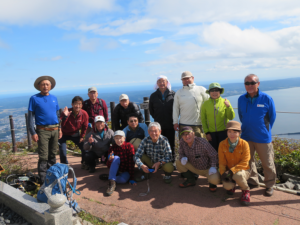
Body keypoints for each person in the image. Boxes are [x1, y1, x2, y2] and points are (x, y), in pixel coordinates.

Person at [238, 74, 276, 197]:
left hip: (262, 137)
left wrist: (264, 130)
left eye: (252, 83)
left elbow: (272, 117)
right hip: (246, 136)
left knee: (267, 163)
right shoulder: (241, 99)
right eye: (247, 83)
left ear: (258, 84)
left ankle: (270, 185)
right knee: (248, 161)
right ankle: (253, 181)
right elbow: (241, 116)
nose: (249, 85)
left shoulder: (266, 98)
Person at [28, 76, 61, 183]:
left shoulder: (54, 98)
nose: (45, 86)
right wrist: (33, 132)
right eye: (43, 84)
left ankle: (51, 178)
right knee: (43, 156)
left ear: (51, 86)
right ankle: (43, 181)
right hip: (42, 130)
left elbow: (57, 115)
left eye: (47, 84)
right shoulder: (34, 98)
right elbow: (30, 117)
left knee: (52, 155)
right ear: (39, 86)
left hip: (55, 129)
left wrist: (59, 129)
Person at [176, 126, 220, 192]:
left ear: (193, 134)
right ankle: (191, 180)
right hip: (193, 167)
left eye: (188, 133)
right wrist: (182, 157)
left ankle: (212, 184)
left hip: (207, 169)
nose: (186, 136)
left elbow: (214, 155)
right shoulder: (182, 141)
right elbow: (181, 153)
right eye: (184, 134)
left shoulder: (202, 142)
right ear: (182, 136)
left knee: (215, 180)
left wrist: (213, 166)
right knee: (178, 162)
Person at [219, 121, 251, 206]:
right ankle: (232, 184)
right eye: (229, 131)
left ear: (239, 133)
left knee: (238, 175)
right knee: (227, 186)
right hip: (229, 172)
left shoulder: (244, 144)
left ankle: (246, 191)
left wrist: (231, 171)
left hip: (243, 170)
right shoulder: (222, 144)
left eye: (235, 132)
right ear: (227, 132)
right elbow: (222, 162)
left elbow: (245, 162)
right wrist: (223, 173)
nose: (232, 134)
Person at [173, 71, 209, 138]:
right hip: (183, 124)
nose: (186, 80)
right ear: (182, 81)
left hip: (197, 124)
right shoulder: (178, 93)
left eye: (188, 78)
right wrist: (175, 122)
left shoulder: (201, 89)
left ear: (193, 78)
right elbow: (175, 109)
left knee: (198, 146)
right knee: (184, 146)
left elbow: (209, 103)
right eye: (184, 79)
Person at [201, 83, 235, 151]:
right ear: (209, 92)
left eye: (216, 90)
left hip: (224, 133)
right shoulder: (205, 104)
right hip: (211, 134)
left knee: (224, 152)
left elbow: (231, 117)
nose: (214, 92)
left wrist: (228, 107)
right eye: (212, 90)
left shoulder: (225, 102)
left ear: (220, 92)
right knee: (213, 153)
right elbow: (203, 119)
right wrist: (207, 133)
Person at [149, 75, 176, 158]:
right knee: (159, 143)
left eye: (163, 81)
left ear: (167, 82)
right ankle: (160, 160)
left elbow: (177, 109)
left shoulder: (173, 94)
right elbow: (151, 110)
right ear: (157, 83)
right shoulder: (153, 96)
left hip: (170, 124)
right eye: (159, 81)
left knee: (171, 142)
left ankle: (172, 160)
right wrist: (158, 118)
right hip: (158, 125)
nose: (161, 83)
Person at [59, 96, 88, 167]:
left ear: (82, 105)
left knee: (84, 147)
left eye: (79, 104)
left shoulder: (84, 114)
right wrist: (65, 116)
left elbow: (85, 126)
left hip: (75, 134)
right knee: (62, 151)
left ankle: (84, 162)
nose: (77, 106)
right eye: (76, 104)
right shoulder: (66, 112)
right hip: (64, 134)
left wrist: (82, 136)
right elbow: (60, 124)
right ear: (72, 104)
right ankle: (65, 167)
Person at [106, 130, 136, 196]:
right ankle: (111, 183)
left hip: (126, 170)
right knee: (116, 158)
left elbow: (131, 162)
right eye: (116, 138)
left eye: (120, 137)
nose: (118, 140)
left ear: (124, 138)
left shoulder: (129, 146)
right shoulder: (112, 148)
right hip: (116, 170)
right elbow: (108, 165)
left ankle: (110, 178)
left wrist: (131, 178)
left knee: (123, 180)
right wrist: (110, 160)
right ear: (114, 139)